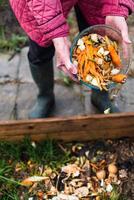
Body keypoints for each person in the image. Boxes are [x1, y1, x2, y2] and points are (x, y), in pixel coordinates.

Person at [9, 0, 134, 118]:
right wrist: (54, 30)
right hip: (39, 5)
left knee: (99, 40)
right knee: (40, 50)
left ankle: (99, 95)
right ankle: (45, 95)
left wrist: (116, 6)